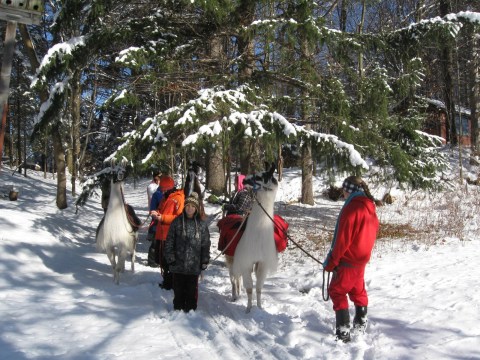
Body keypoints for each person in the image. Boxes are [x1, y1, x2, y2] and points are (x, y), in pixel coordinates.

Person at [323, 176, 379, 343]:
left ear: (348, 191)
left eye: (344, 192)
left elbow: (343, 239)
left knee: (337, 291)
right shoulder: (369, 205)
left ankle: (343, 330)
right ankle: (361, 323)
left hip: (348, 261)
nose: (343, 195)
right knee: (357, 290)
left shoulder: (353, 208)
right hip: (360, 261)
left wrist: (332, 261)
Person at [164, 192, 211, 312]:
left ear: (196, 208)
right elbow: (169, 241)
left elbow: (205, 244)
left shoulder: (201, 225)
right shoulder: (176, 222)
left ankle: (191, 313)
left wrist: (204, 260)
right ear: (184, 207)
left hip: (193, 266)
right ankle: (177, 311)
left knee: (191, 291)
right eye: (188, 206)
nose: (190, 209)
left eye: (193, 206)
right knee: (178, 290)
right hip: (177, 265)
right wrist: (170, 258)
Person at [151, 175, 185, 289]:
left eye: (163, 189)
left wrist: (163, 218)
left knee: (170, 261)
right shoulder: (165, 198)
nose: (162, 191)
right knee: (162, 260)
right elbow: (160, 209)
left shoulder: (179, 198)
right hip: (161, 234)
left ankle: (172, 283)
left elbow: (179, 217)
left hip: (171, 235)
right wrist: (156, 213)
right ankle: (167, 281)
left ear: (168, 188)